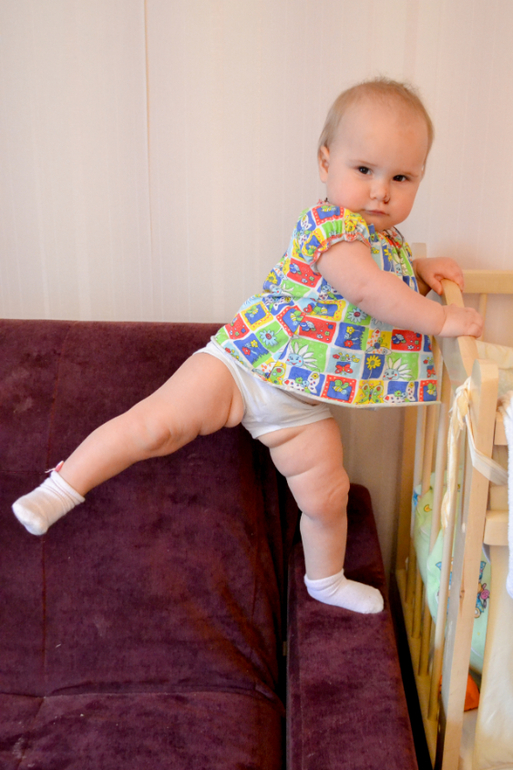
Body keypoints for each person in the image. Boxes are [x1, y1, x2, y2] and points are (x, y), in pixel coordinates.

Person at [12, 77, 482, 614]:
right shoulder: (328, 225)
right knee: (154, 426)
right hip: (241, 366)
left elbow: (384, 282)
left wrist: (417, 270)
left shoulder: (386, 241)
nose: (381, 191)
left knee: (329, 497)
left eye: (401, 177)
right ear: (325, 162)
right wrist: (442, 318)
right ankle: (59, 488)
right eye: (364, 170)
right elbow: (368, 291)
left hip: (299, 405)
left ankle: (326, 579)